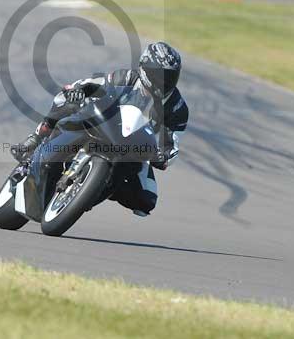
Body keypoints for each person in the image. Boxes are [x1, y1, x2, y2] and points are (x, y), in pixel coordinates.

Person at [11, 41, 188, 217]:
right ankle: (36, 139)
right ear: (145, 69)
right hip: (102, 125)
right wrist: (80, 90)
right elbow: (93, 84)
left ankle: (94, 189)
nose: (164, 81)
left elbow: (171, 143)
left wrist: (163, 156)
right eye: (160, 75)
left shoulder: (177, 108)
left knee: (146, 200)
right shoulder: (125, 78)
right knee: (68, 100)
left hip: (134, 150)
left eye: (171, 77)